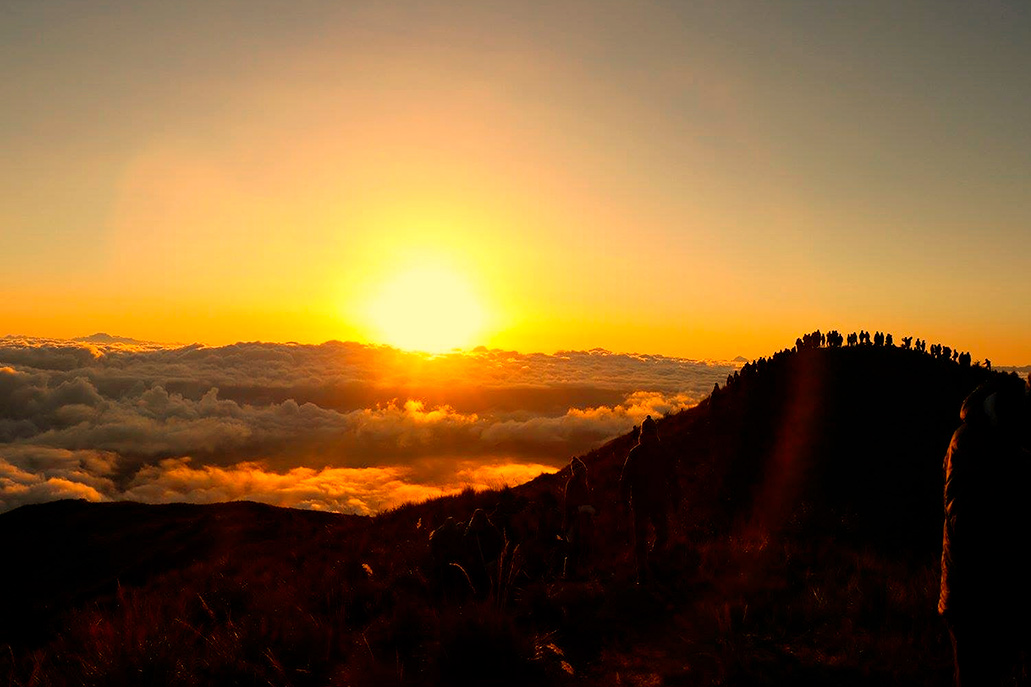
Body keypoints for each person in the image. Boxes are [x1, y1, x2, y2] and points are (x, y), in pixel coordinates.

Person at [939, 375, 1031, 686]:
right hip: (973, 597)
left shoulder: (1005, 441)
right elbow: (964, 519)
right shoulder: (970, 443)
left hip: (999, 594)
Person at [620, 415, 680, 582]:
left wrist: (675, 496)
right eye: (648, 433)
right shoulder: (640, 453)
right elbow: (625, 480)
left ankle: (649, 564)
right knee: (644, 539)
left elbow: (672, 477)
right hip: (644, 503)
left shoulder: (649, 452)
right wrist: (624, 502)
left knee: (660, 535)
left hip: (652, 502)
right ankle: (644, 572)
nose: (650, 436)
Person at [562, 457, 596, 579]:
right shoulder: (575, 484)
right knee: (575, 547)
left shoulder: (577, 483)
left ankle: (574, 573)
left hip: (578, 520)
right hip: (575, 521)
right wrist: (587, 509)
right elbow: (572, 505)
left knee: (578, 547)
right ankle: (571, 574)